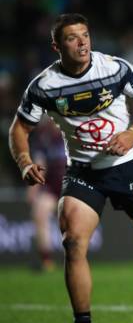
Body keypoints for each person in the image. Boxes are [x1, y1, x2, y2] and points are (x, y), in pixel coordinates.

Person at [8, 13, 133, 323]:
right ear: (57, 46)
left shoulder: (114, 68)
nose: (82, 42)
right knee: (73, 242)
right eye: (72, 38)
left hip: (129, 166)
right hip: (84, 172)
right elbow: (19, 129)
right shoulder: (44, 86)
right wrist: (24, 161)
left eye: (85, 35)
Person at [25, 117, 65, 272]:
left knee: (71, 221)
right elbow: (40, 163)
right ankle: (46, 261)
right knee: (39, 213)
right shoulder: (43, 138)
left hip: (72, 186)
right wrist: (33, 187)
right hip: (52, 186)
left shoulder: (72, 133)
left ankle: (75, 259)